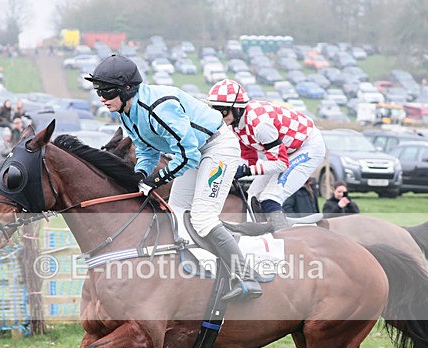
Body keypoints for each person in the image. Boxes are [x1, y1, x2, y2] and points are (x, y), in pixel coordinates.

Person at [86, 55, 261, 300]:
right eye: (98, 91)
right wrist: (140, 176)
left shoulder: (158, 107)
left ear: (127, 89)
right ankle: (201, 271)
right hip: (196, 150)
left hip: (217, 148)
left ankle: (246, 277)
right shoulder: (126, 111)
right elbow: (147, 150)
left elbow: (187, 156)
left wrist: (154, 181)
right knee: (176, 211)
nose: (102, 98)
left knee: (202, 218)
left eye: (107, 91)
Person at [205, 79, 327, 230]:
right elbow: (250, 158)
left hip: (308, 146)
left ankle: (284, 241)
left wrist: (246, 171)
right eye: (214, 111)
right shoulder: (236, 124)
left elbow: (281, 164)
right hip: (285, 150)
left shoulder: (260, 125)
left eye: (222, 111)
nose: (219, 117)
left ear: (237, 108)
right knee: (253, 197)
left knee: (270, 199)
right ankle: (264, 234)